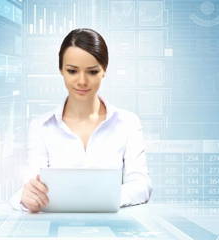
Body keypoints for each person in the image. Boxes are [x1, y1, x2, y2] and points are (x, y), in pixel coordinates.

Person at [10, 28, 152, 213]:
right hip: (56, 230)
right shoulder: (41, 127)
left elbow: (141, 185)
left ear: (104, 71)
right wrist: (26, 197)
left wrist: (103, 199)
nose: (82, 81)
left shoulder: (128, 123)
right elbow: (32, 186)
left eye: (92, 72)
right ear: (61, 70)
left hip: (113, 229)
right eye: (72, 71)